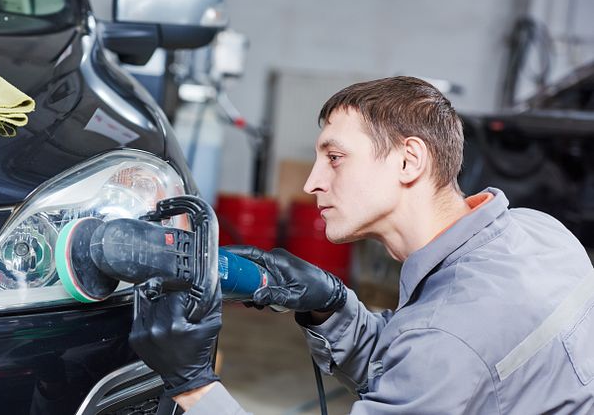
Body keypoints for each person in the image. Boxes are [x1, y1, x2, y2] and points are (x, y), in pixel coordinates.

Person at [129, 76, 594, 414]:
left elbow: (438, 356)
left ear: (409, 160)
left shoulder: (447, 336)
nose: (312, 182)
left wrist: (194, 387)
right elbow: (422, 372)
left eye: (335, 158)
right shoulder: (539, 231)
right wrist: (332, 308)